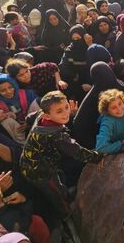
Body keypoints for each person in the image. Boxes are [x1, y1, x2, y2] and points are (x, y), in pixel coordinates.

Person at [20, 91, 104, 220]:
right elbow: (78, 152)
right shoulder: (56, 135)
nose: (66, 113)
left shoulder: (41, 115)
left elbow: (30, 117)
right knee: (56, 192)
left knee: (58, 181)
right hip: (39, 171)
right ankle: (66, 213)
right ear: (47, 116)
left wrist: (26, 122)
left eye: (66, 107)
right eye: (59, 111)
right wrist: (100, 157)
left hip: (30, 160)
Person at [72, 62, 124, 149]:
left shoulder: (98, 91)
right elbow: (100, 145)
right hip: (91, 141)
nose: (119, 107)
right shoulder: (100, 97)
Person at [95, 89, 124, 154]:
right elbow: (100, 148)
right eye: (113, 108)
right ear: (107, 111)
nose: (119, 109)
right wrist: (122, 143)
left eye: (120, 103)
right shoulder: (107, 122)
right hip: (116, 152)